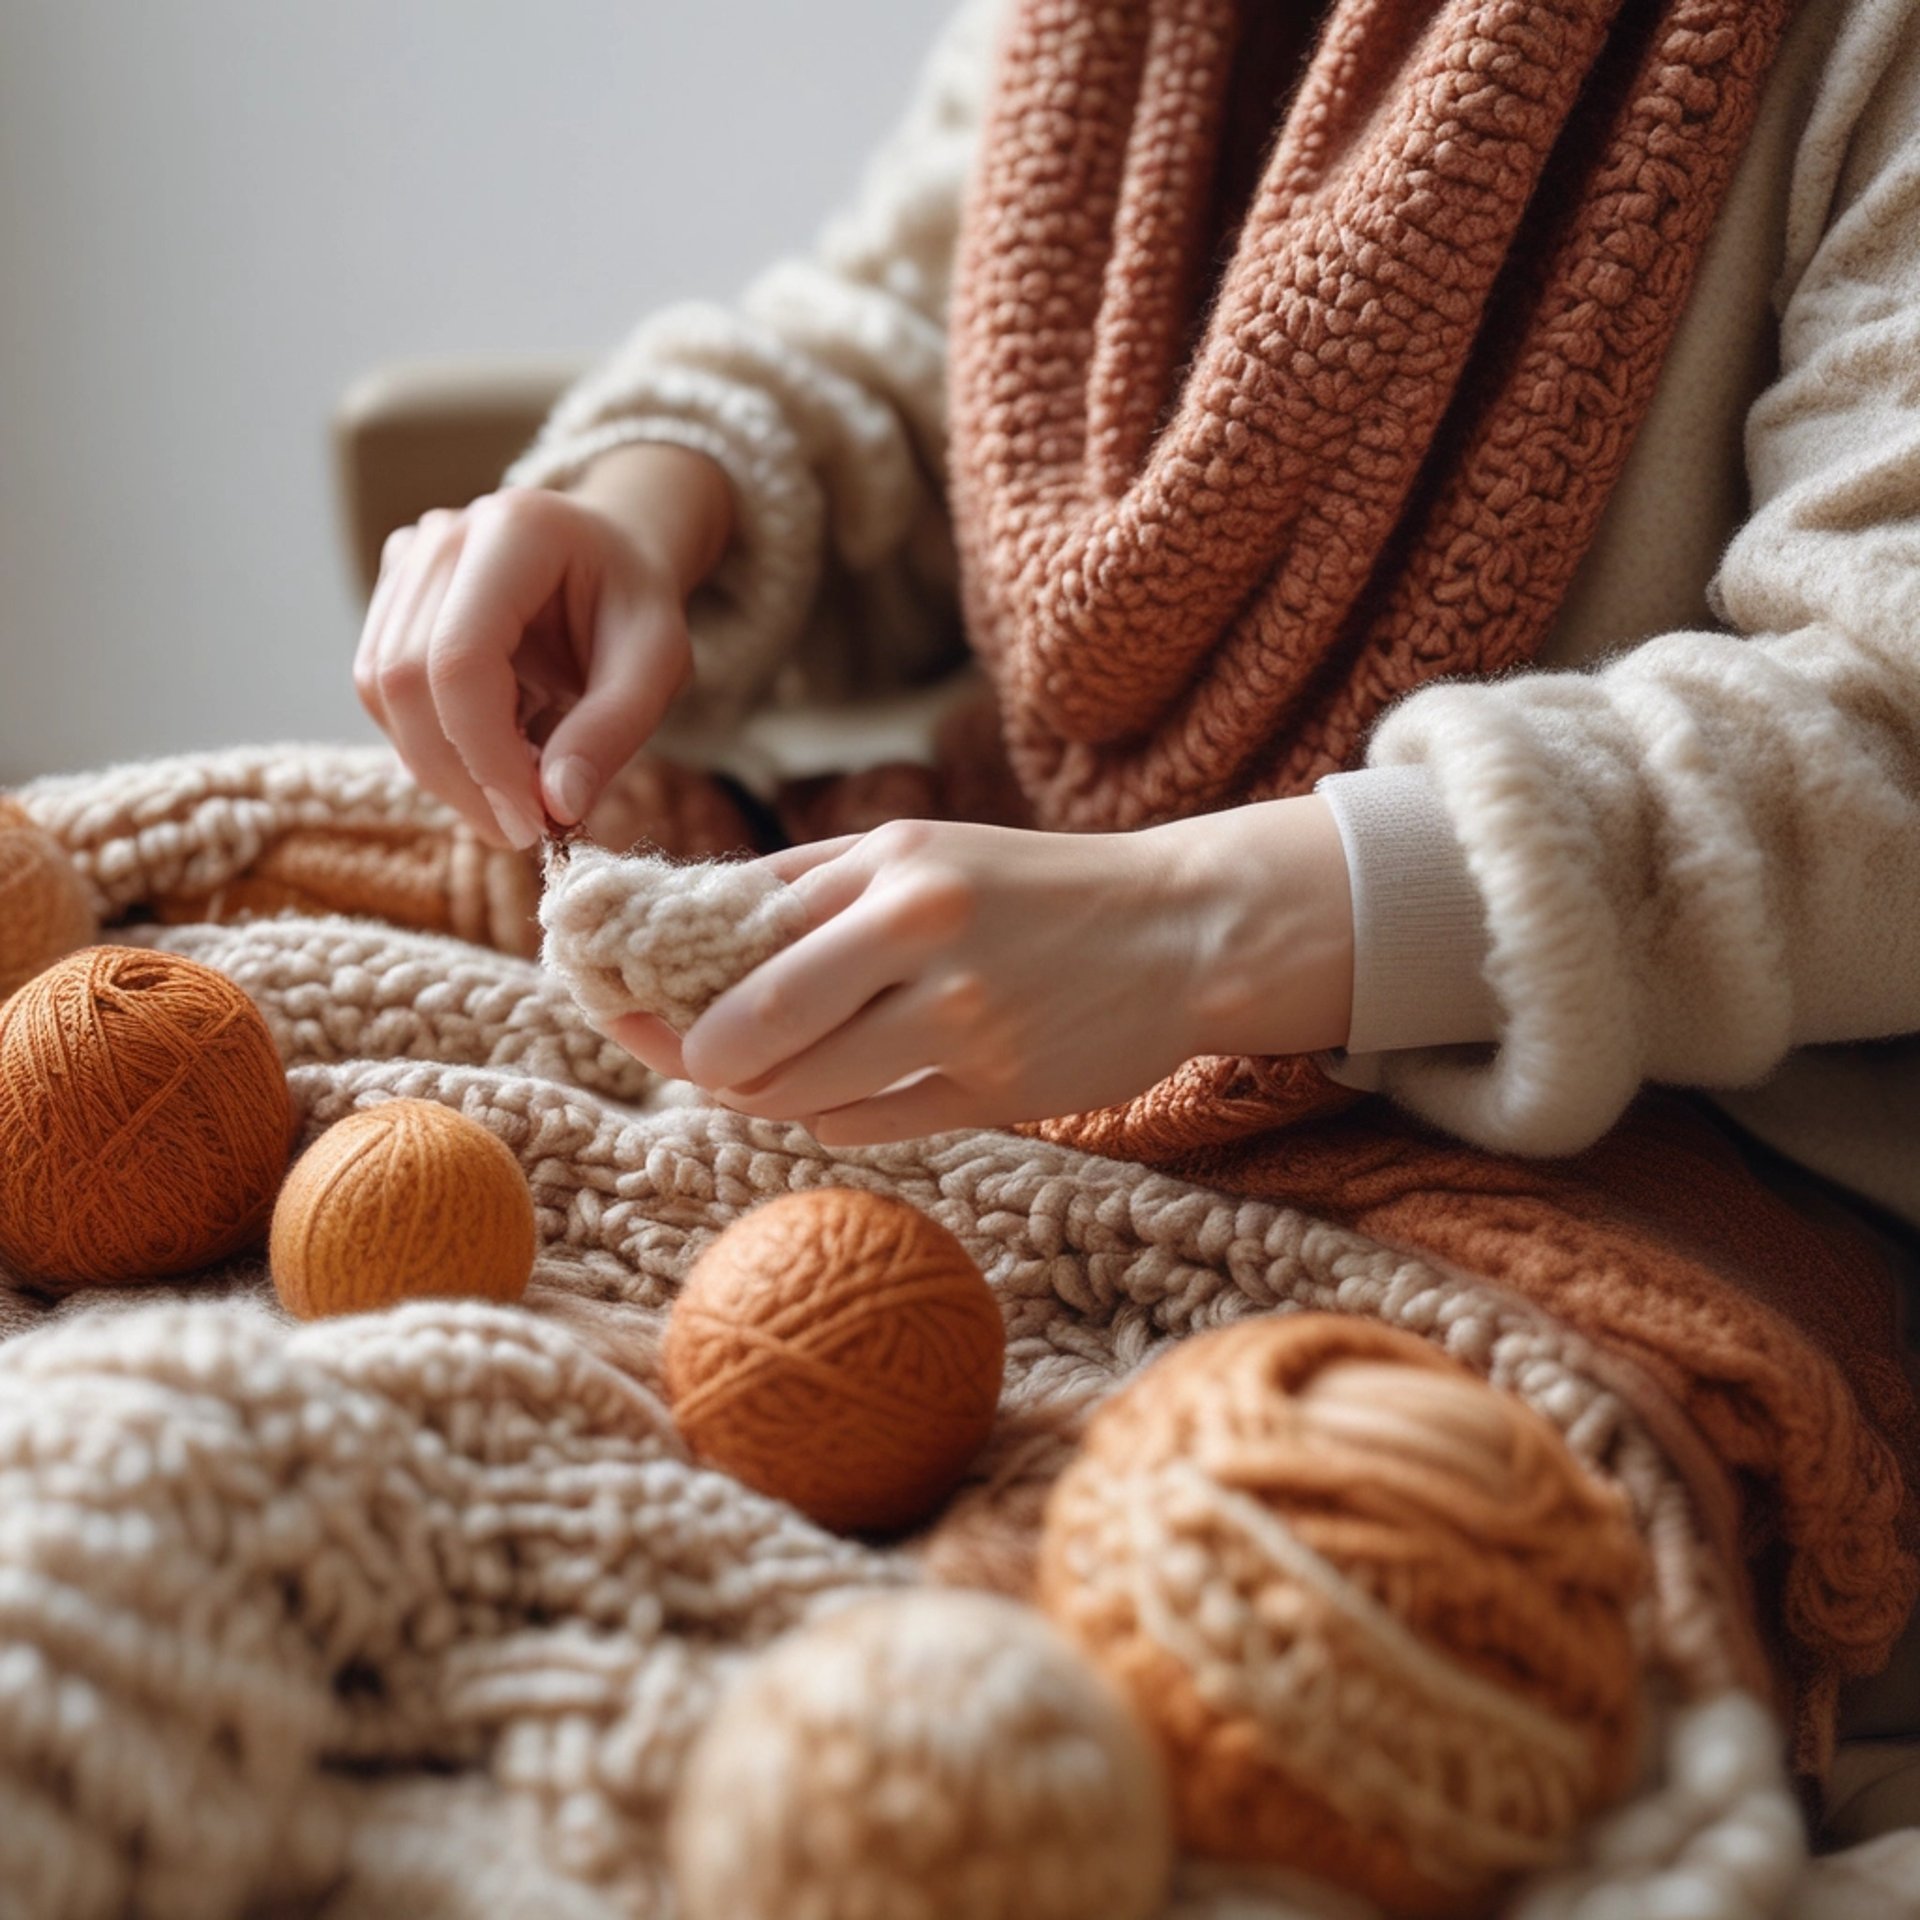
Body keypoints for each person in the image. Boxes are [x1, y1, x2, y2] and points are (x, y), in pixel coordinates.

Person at [355, 0, 1920, 1782]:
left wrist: (1198, 925)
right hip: (1005, 916)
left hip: (1657, 1163)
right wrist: (645, 509)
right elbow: (916, 352)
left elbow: (1884, 724)